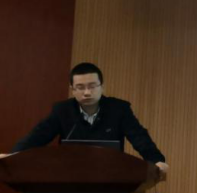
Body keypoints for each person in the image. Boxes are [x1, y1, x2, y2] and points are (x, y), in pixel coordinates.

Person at [0, 62, 169, 176]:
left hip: (111, 178)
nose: (87, 92)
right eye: (80, 87)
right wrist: (14, 155)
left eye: (92, 86)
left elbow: (139, 137)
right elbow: (38, 136)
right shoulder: (62, 111)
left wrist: (156, 161)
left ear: (102, 87)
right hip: (69, 178)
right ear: (72, 89)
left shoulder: (119, 109)